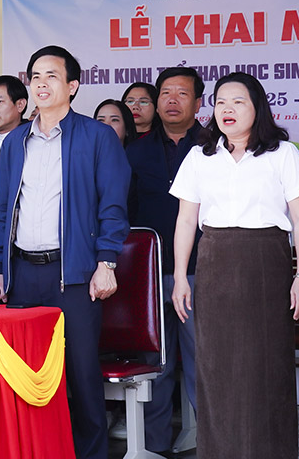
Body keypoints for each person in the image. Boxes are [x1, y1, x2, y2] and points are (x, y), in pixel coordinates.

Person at [0, 46, 129, 459]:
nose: (41, 83)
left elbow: (113, 206)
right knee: (23, 374)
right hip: (21, 274)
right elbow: (3, 210)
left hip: (74, 274)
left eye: (51, 76)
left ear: (72, 86)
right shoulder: (15, 142)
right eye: (35, 76)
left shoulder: (96, 137)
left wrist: (106, 262)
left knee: (82, 375)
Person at [171, 72, 299, 459]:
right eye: (221, 102)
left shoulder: (282, 153)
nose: (227, 109)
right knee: (216, 366)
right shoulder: (200, 156)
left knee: (265, 365)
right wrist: (181, 276)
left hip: (266, 262)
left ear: (257, 108)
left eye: (238, 101)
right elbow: (186, 220)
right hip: (214, 263)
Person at [124, 67, 205, 453]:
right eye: (166, 93)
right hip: (150, 275)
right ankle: (154, 447)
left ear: (199, 103)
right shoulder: (135, 151)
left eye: (182, 93)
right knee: (155, 364)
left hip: (200, 272)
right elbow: (124, 210)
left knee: (203, 362)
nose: (172, 100)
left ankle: (214, 443)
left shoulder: (214, 148)